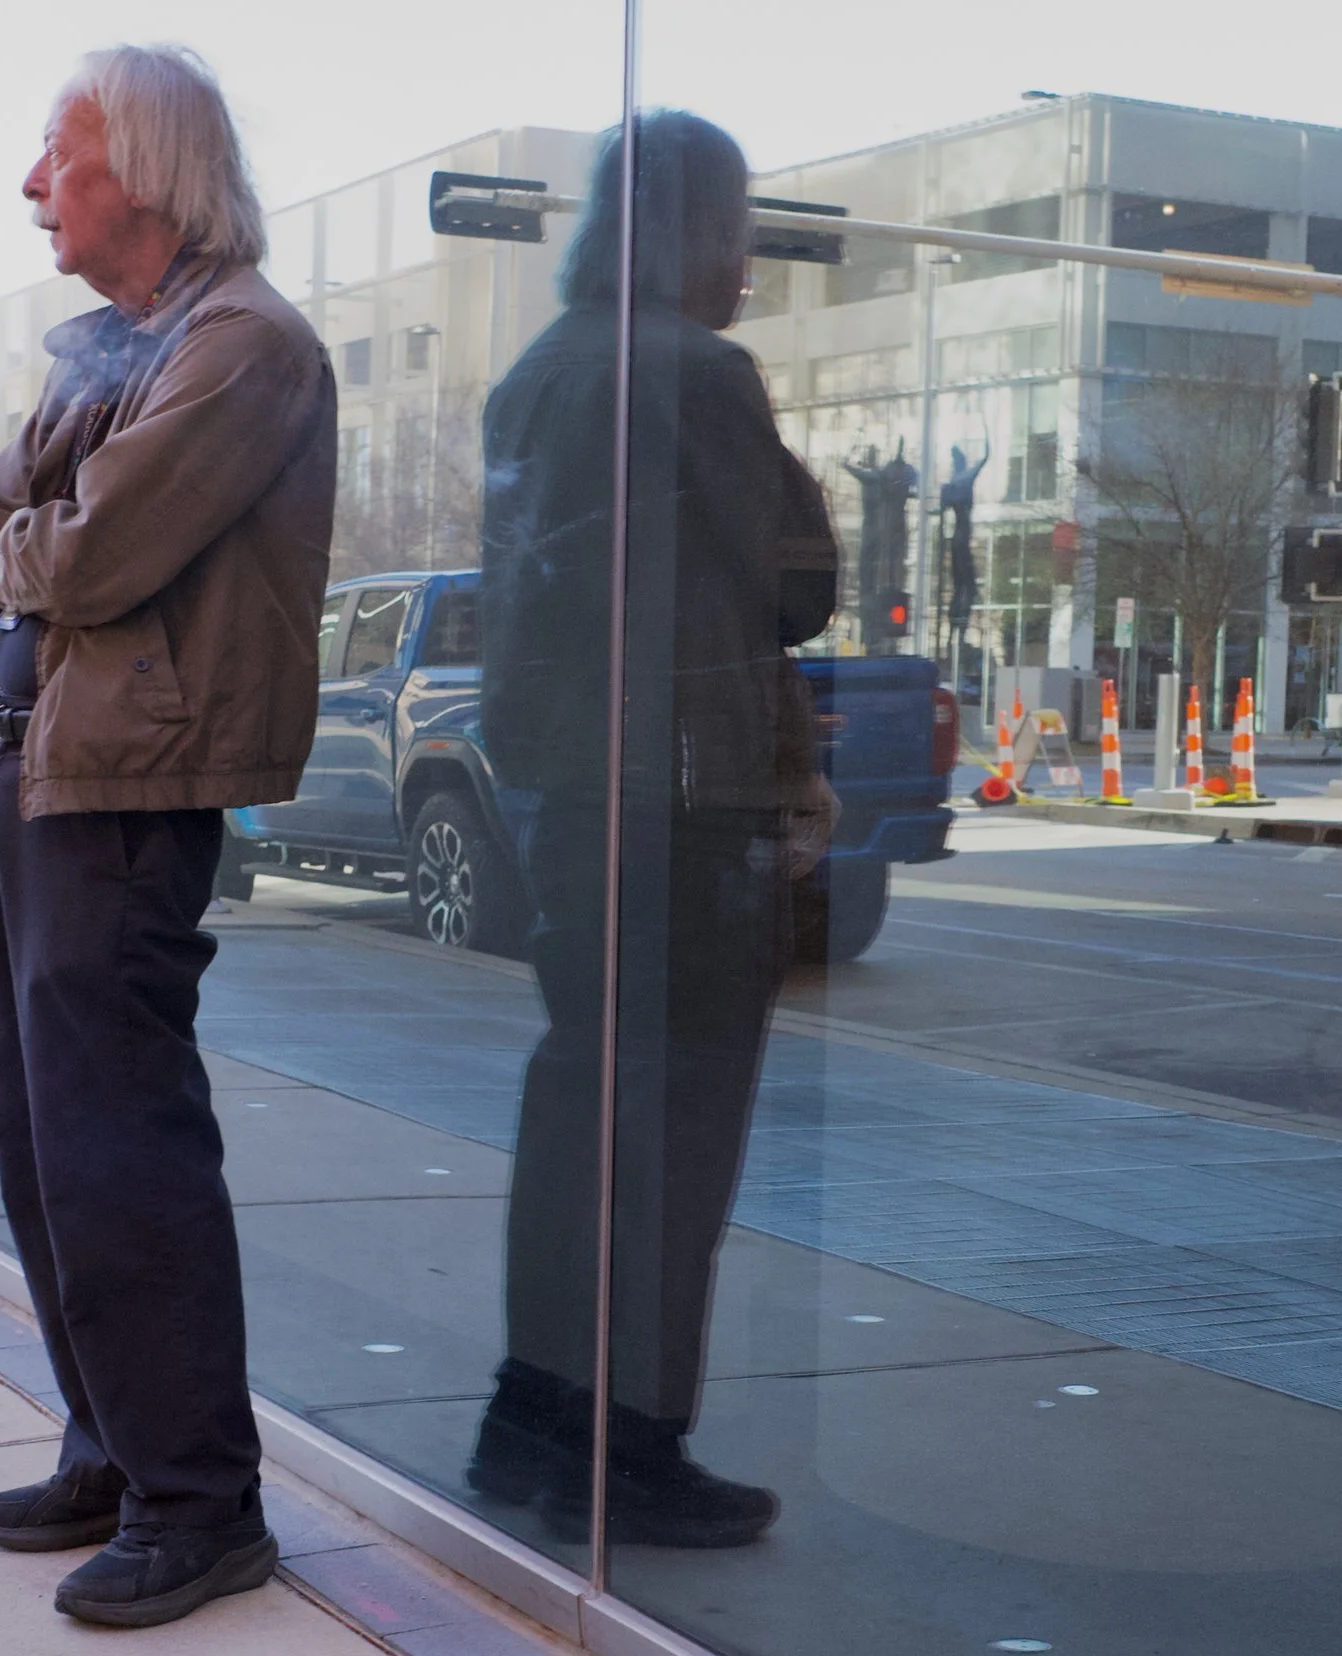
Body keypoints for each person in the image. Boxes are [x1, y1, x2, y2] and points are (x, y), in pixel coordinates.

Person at [0, 44, 335, 1628]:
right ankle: (113, 1444)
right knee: (50, 1160)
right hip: (36, 785)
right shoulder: (107, 357)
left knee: (123, 1156)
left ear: (150, 175)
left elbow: (80, 559)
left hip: (130, 800)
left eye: (60, 157)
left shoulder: (246, 347)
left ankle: (203, 1502)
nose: (33, 187)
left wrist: (21, 531)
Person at [472, 110, 838, 1549]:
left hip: (573, 803)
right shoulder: (692, 371)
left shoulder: (541, 375)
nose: (745, 263)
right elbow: (800, 579)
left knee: (579, 1117)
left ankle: (529, 1421)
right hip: (688, 808)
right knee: (675, 1148)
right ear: (702, 233)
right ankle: (630, 1450)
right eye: (738, 230)